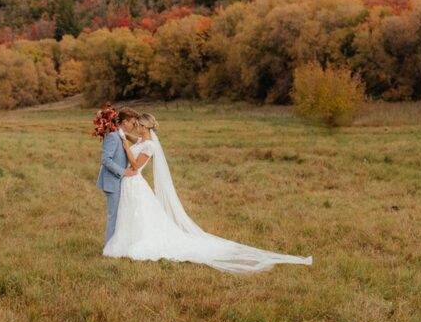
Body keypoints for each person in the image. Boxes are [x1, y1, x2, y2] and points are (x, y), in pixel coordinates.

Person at [102, 112, 312, 274]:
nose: (135, 128)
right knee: (132, 215)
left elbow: (136, 165)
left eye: (137, 126)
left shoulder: (149, 146)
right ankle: (126, 240)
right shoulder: (142, 140)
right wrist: (121, 134)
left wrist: (124, 145)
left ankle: (136, 243)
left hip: (135, 180)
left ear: (145, 127)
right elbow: (132, 138)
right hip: (131, 184)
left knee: (140, 215)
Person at [96, 107, 140, 246]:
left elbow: (142, 142)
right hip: (112, 182)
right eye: (133, 123)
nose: (134, 126)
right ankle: (109, 248)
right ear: (125, 122)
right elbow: (106, 159)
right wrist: (123, 172)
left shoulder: (122, 135)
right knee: (114, 216)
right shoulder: (113, 136)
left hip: (120, 182)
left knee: (120, 215)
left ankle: (117, 245)